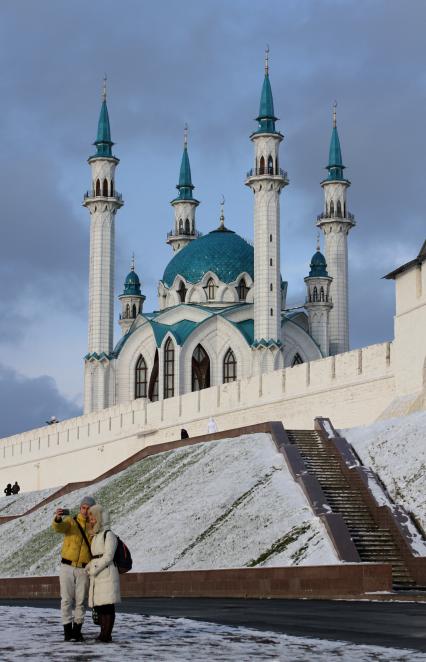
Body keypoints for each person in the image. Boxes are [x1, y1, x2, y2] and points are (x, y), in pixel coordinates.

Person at [52, 496, 96, 641]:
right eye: (83, 507)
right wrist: (58, 518)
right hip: (67, 566)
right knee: (66, 600)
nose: (85, 510)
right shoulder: (71, 521)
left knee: (80, 602)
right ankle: (67, 632)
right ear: (80, 508)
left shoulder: (93, 526)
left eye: (88, 508)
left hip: (84, 569)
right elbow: (59, 528)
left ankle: (77, 631)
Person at [86, 504, 121, 643]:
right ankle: (103, 634)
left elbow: (108, 556)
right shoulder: (96, 535)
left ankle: (106, 635)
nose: (90, 519)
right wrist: (89, 566)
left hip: (106, 573)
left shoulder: (109, 534)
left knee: (108, 606)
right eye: (90, 517)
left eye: (93, 516)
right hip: (98, 574)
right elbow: (96, 556)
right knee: (101, 607)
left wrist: (94, 568)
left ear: (99, 517)